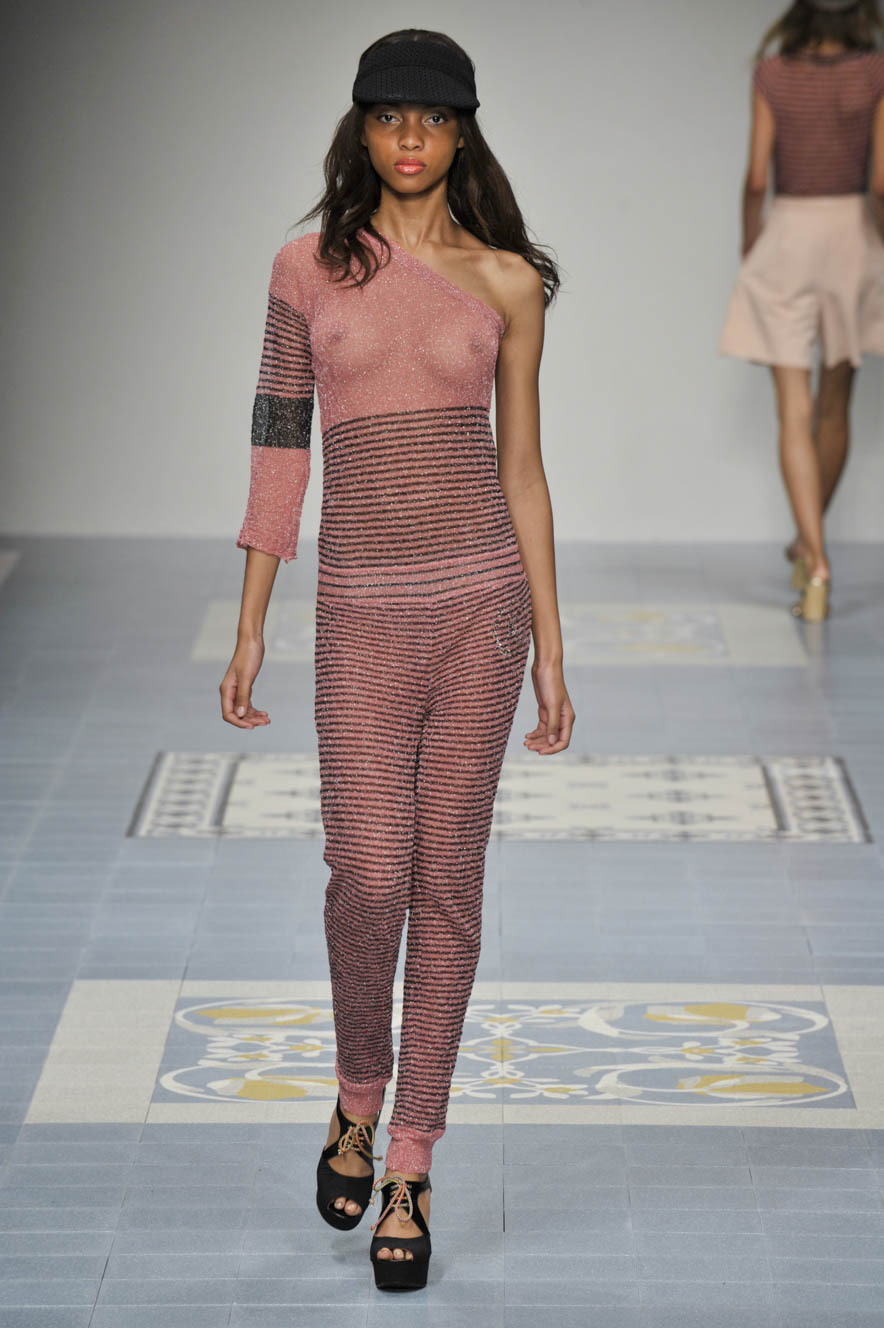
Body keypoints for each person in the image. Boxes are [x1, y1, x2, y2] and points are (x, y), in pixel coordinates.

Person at [219, 28, 575, 1291]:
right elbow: (279, 443)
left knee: (448, 883)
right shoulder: (305, 269)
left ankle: (411, 1157)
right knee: (368, 876)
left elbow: (522, 471)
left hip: (479, 606)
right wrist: (253, 618)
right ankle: (356, 1088)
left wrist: (549, 644)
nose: (409, 137)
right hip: (360, 610)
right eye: (388, 116)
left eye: (431, 117)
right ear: (360, 128)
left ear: (462, 129)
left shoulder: (506, 281)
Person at [719, 0, 884, 621]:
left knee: (793, 409)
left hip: (788, 232)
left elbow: (756, 179)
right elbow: (882, 183)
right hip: (853, 235)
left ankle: (814, 561)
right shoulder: (875, 72)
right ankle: (810, 542)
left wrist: (750, 244)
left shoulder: (773, 73)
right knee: (835, 405)